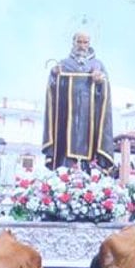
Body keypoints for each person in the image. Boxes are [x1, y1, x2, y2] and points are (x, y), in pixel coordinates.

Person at [42, 29, 116, 174]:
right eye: (79, 42)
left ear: (89, 43)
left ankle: (89, 166)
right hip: (67, 112)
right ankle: (65, 166)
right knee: (66, 140)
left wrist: (100, 80)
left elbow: (106, 88)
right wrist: (54, 74)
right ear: (73, 42)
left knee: (89, 139)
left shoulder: (97, 64)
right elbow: (53, 87)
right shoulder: (64, 64)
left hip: (90, 113)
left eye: (85, 42)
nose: (82, 45)